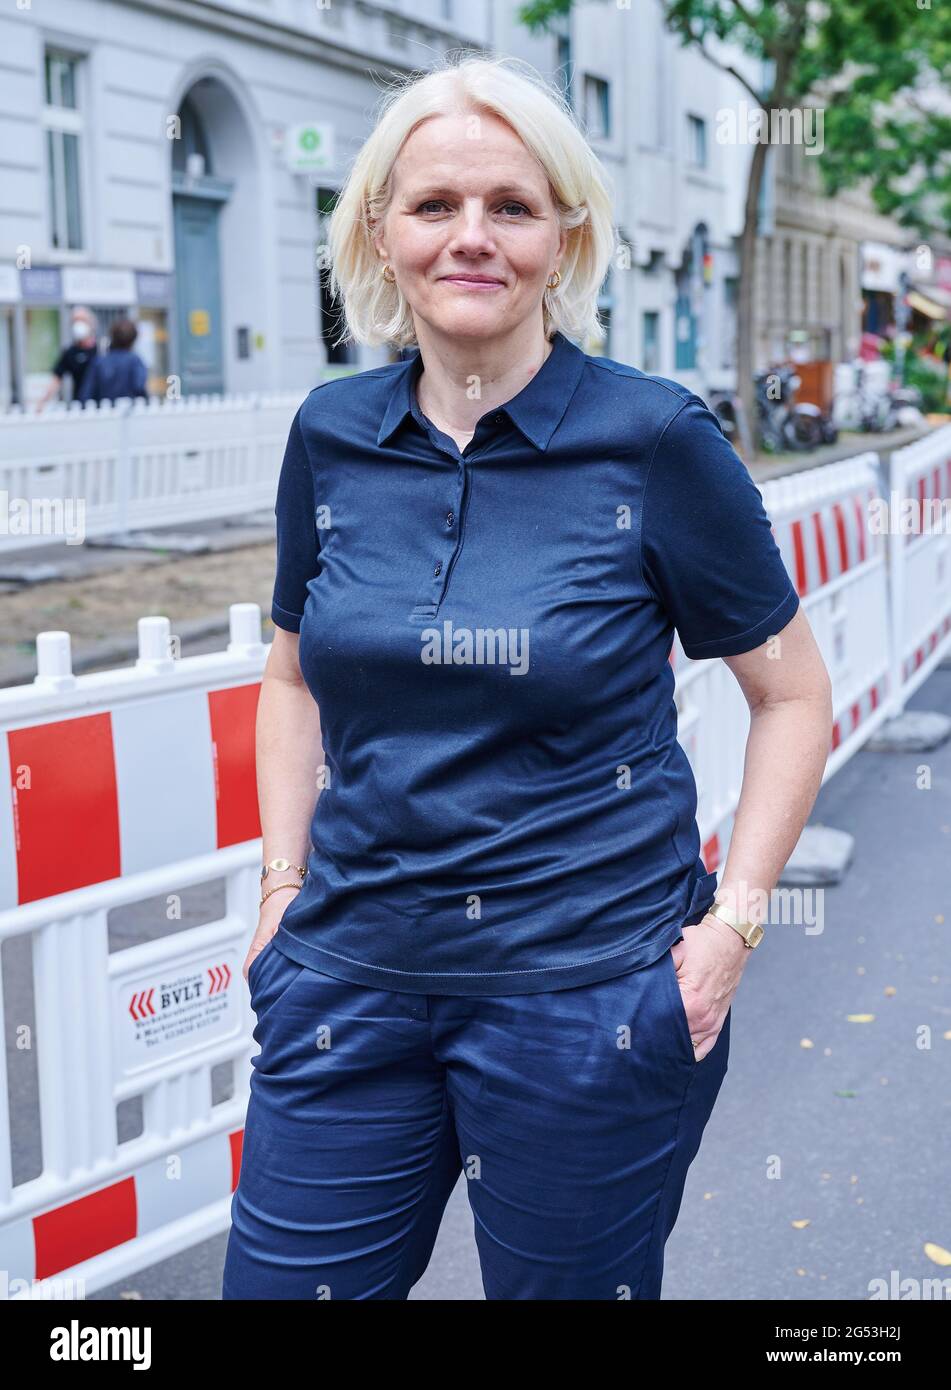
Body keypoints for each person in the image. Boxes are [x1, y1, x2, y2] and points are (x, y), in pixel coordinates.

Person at [222, 53, 833, 1302]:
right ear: (380, 236)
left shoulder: (653, 437)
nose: (472, 237)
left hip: (586, 1002)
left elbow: (792, 693)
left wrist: (735, 927)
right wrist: (281, 889)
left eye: (510, 205)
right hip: (346, 986)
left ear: (566, 233)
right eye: (435, 206)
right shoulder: (330, 436)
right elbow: (290, 677)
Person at [34, 306, 99, 411]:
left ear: (91, 323)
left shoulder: (102, 348)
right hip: (80, 406)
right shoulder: (70, 353)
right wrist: (42, 403)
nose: (78, 324)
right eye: (75, 321)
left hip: (102, 404)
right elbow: (56, 380)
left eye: (82, 320)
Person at [77, 317, 148, 406]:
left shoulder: (99, 362)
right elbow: (139, 388)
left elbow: (85, 395)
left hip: (102, 415)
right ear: (134, 339)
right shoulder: (135, 361)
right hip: (129, 416)